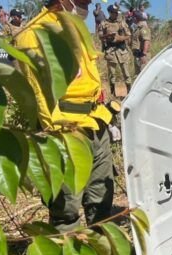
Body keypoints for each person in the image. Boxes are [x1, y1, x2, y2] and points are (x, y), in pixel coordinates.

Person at [14, 0, 114, 231]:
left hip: (96, 125)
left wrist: (105, 118)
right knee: (66, 209)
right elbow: (40, 97)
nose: (89, 3)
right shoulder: (34, 34)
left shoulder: (75, 26)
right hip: (67, 133)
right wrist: (58, 139)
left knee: (101, 201)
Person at [99, 4, 132, 97]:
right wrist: (107, 36)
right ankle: (113, 95)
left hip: (121, 51)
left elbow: (129, 35)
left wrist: (120, 38)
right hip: (111, 51)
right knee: (111, 74)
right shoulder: (104, 23)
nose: (116, 14)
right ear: (109, 13)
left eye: (117, 12)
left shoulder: (122, 23)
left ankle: (130, 93)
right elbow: (100, 36)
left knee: (126, 73)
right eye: (114, 12)